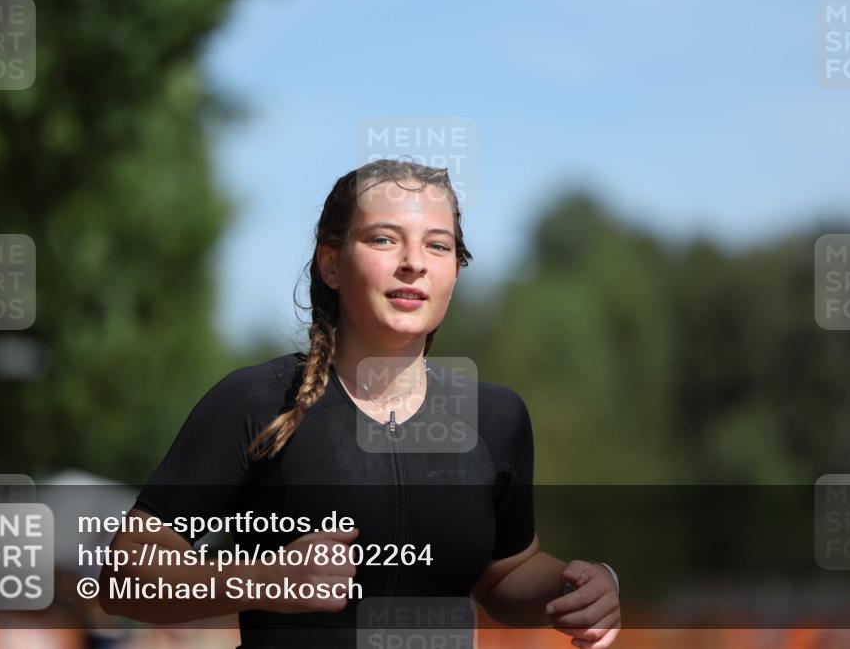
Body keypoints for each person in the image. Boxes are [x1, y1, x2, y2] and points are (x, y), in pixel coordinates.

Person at [98, 159, 621, 648]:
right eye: (383, 239)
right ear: (330, 263)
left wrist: (577, 584)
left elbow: (505, 572)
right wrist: (264, 580)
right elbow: (125, 579)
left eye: (438, 246)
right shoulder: (257, 402)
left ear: (454, 272)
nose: (414, 263)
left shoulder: (496, 418)